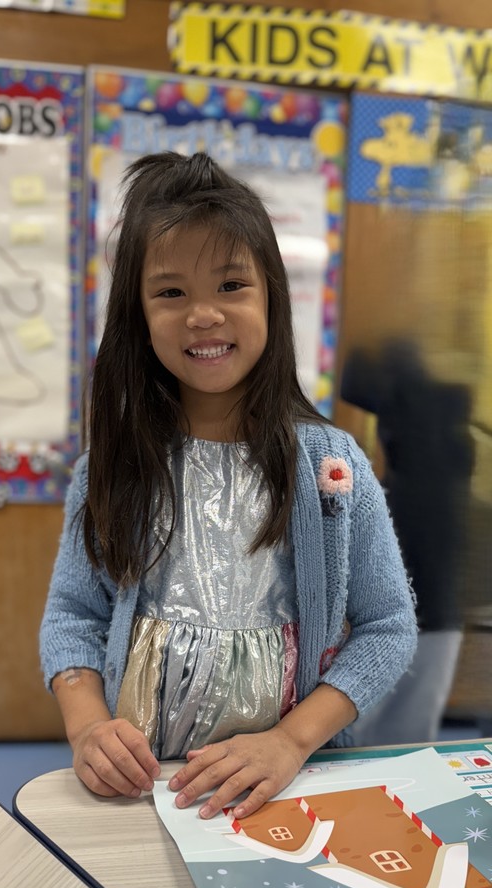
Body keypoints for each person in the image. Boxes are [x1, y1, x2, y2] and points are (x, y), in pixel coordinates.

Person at [40, 151, 417, 822]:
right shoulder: (110, 468)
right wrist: (88, 728)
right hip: (144, 790)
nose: (204, 315)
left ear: (270, 292)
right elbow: (73, 618)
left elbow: (388, 628)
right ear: (138, 313)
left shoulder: (331, 467)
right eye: (171, 292)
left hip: (287, 784)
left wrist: (290, 741)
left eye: (231, 285)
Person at [341, 339, 474, 745]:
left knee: (361, 734)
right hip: (438, 606)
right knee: (409, 738)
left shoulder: (407, 405)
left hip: (409, 607)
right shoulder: (456, 421)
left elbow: (354, 379)